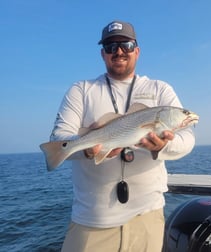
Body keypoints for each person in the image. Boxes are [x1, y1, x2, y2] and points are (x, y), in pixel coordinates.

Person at [50, 20, 195, 252]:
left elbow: (187, 139)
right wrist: (88, 148)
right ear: (102, 54)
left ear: (137, 51)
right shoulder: (81, 89)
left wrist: (160, 147)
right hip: (92, 221)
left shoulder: (160, 90)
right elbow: (60, 136)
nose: (119, 51)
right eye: (110, 47)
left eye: (126, 45)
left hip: (147, 217)